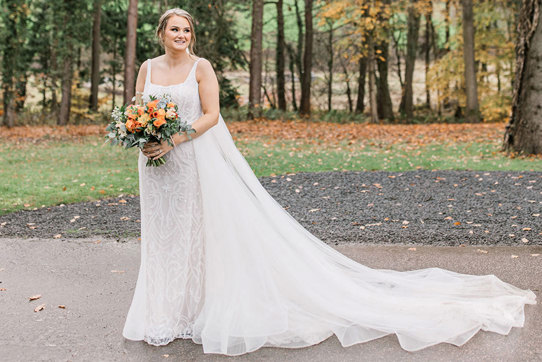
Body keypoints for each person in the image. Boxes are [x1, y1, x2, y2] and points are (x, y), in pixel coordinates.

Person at [122, 8, 536, 356]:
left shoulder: (202, 67)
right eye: (174, 28)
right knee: (162, 236)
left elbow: (211, 116)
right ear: (160, 33)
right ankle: (163, 313)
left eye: (187, 29)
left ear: (191, 35)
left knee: (198, 234)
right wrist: (143, 140)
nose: (181, 34)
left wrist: (173, 139)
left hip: (193, 160)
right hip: (157, 169)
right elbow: (137, 109)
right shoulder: (147, 68)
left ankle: (195, 310)